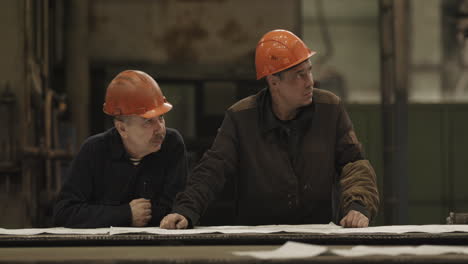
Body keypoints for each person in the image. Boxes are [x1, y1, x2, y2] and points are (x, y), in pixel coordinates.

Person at [160, 29, 379, 229]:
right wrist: (186, 210)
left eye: (309, 71)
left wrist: (358, 206)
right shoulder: (241, 118)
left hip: (317, 234)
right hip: (257, 236)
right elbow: (212, 169)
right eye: (299, 75)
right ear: (274, 81)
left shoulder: (330, 110)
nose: (309, 81)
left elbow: (354, 163)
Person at [54, 70, 188, 228]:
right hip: (103, 251)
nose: (160, 129)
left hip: (159, 249)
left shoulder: (172, 145)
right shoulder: (94, 151)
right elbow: (64, 213)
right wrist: (125, 214)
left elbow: (176, 209)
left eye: (161, 118)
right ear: (122, 128)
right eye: (148, 121)